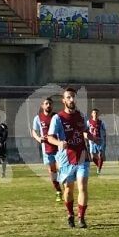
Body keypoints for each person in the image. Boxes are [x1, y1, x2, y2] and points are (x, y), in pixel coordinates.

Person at [47, 86, 91, 228]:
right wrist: (59, 142)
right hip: (66, 159)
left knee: (82, 186)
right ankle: (70, 214)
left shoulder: (81, 115)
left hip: (82, 156)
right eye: (69, 97)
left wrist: (92, 138)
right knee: (68, 189)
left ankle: (81, 218)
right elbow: (49, 137)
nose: (72, 99)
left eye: (73, 97)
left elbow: (84, 131)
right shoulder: (57, 118)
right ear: (64, 100)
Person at [30, 96, 63, 202]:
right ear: (42, 105)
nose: (48, 105)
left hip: (58, 148)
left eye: (50, 103)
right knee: (52, 173)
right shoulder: (38, 118)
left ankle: (67, 189)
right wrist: (39, 138)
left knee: (61, 169)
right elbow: (34, 131)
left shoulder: (57, 117)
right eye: (46, 103)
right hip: (47, 150)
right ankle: (58, 191)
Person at [87, 107, 106, 174]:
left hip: (100, 140)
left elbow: (105, 130)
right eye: (94, 113)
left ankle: (99, 169)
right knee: (92, 156)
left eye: (97, 113)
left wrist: (104, 138)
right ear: (92, 114)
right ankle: (99, 165)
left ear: (98, 114)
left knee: (100, 154)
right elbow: (85, 131)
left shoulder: (101, 122)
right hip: (92, 141)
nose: (95, 114)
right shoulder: (88, 122)